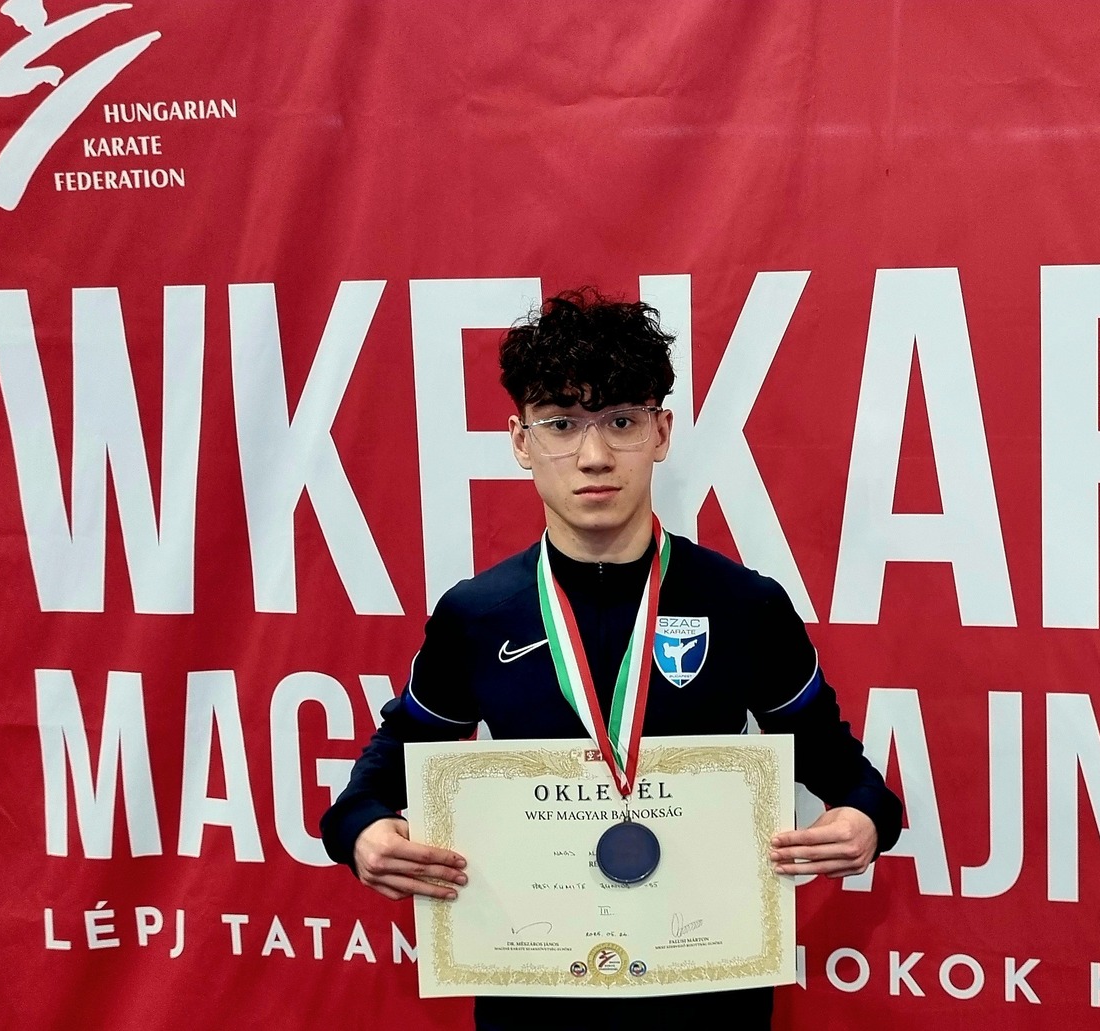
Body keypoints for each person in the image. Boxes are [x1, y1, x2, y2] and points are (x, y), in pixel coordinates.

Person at [321, 288, 904, 1030]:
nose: (593, 456)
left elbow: (853, 778)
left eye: (621, 421)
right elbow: (380, 774)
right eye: (561, 423)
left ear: (661, 432)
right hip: (535, 1004)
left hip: (707, 1005)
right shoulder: (477, 614)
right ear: (520, 440)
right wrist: (361, 830)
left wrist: (864, 819)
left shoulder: (745, 605)